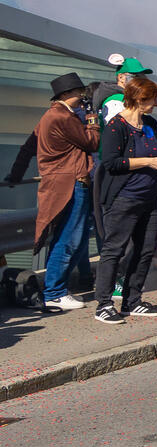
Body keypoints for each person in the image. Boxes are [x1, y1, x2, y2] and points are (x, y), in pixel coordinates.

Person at [93, 76, 157, 324]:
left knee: (145, 249)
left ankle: (132, 301)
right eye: (152, 99)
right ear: (139, 99)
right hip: (123, 199)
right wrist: (148, 162)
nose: (156, 104)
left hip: (148, 198)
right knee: (113, 251)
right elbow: (111, 163)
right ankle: (104, 304)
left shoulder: (150, 123)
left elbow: (155, 152)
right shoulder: (116, 127)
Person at [33, 72, 101, 311]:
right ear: (66, 95)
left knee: (74, 238)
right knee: (68, 239)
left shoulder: (51, 116)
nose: (82, 98)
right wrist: (92, 119)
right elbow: (92, 143)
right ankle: (54, 292)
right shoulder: (63, 117)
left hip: (64, 182)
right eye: (78, 94)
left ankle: (57, 290)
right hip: (71, 182)